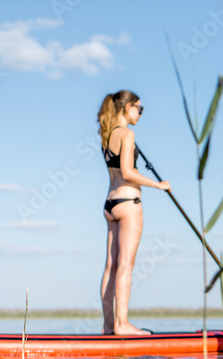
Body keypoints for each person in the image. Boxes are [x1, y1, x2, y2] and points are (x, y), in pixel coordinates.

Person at [97, 90, 171, 335]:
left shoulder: (106, 136)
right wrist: (158, 185)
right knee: (126, 266)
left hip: (110, 203)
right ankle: (122, 324)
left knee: (111, 265)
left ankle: (109, 325)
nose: (140, 113)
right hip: (129, 202)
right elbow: (128, 172)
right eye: (139, 108)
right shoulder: (127, 134)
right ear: (126, 107)